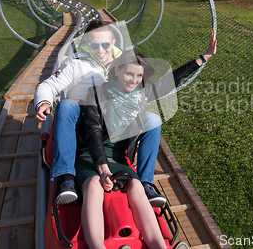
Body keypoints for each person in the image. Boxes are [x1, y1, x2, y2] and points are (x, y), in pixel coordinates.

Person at [78, 31, 216, 248]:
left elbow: (170, 81)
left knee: (136, 187)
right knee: (95, 184)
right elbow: (93, 132)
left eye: (139, 76)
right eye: (129, 74)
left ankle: (158, 246)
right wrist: (102, 168)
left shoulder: (138, 97)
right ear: (117, 70)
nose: (134, 81)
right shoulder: (96, 93)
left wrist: (203, 57)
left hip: (120, 161)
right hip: (91, 157)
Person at [35, 20, 165, 207]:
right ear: (87, 44)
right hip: (82, 123)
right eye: (94, 45)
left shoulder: (124, 63)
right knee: (66, 106)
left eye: (105, 44)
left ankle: (146, 182)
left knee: (152, 119)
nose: (100, 50)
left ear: (113, 43)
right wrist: (44, 102)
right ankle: (66, 177)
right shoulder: (76, 64)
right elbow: (49, 85)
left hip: (112, 122)